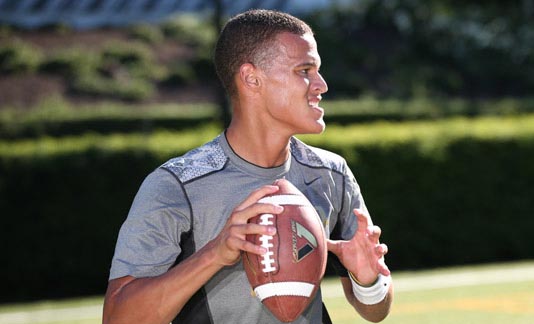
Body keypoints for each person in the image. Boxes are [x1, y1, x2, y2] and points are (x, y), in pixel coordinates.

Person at [103, 9, 393, 324]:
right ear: (251, 78)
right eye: (304, 70)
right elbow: (118, 319)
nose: (321, 84)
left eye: (318, 70)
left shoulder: (331, 174)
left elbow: (376, 310)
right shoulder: (176, 185)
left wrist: (368, 281)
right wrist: (214, 254)